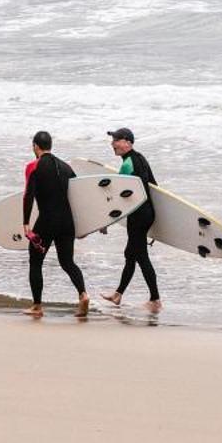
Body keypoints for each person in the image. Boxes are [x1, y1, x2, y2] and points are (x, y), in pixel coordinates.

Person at [22, 130, 88, 319]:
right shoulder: (66, 167)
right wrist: (83, 225)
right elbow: (79, 196)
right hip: (67, 222)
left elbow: (29, 195)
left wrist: (26, 223)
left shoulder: (33, 167)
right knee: (67, 262)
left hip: (47, 221)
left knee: (35, 261)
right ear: (50, 145)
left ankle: (37, 306)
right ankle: (83, 294)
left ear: (35, 146)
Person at [100, 126, 162, 313]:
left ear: (127, 142)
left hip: (138, 215)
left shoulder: (128, 164)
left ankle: (155, 300)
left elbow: (119, 197)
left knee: (141, 257)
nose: (113, 144)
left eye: (116, 140)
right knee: (131, 254)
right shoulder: (141, 159)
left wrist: (106, 221)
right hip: (146, 213)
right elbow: (156, 189)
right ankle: (118, 294)